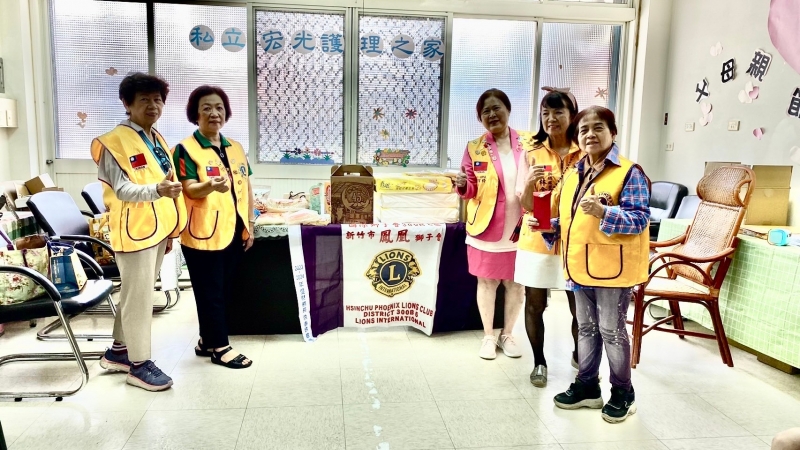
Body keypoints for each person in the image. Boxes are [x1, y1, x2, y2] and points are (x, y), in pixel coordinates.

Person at [532, 106, 650, 424]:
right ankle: (587, 386)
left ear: (613, 133)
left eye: (598, 128)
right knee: (586, 328)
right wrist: (547, 226)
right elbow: (573, 220)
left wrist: (604, 213)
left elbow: (640, 219)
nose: (590, 135)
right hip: (579, 265)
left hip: (613, 269)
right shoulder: (575, 172)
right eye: (583, 130)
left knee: (612, 330)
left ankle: (623, 393)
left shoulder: (629, 172)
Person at [91, 72, 187, 391]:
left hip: (157, 228)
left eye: (157, 99)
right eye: (144, 99)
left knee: (136, 294)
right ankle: (139, 364)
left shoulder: (156, 138)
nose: (153, 105)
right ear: (127, 103)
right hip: (133, 230)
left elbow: (167, 183)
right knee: (140, 298)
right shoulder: (113, 142)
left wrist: (171, 230)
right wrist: (158, 190)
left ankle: (119, 351)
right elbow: (122, 190)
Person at [173, 85, 255, 369]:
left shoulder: (235, 148)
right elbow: (189, 188)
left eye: (219, 107)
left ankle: (207, 341)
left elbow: (246, 186)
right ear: (195, 114)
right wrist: (209, 185)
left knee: (224, 288)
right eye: (206, 108)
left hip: (234, 229)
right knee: (210, 291)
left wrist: (250, 223)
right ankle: (220, 347)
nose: (214, 113)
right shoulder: (186, 148)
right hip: (203, 232)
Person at [514, 87, 583, 387]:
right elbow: (525, 203)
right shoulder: (531, 153)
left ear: (572, 115)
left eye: (558, 112)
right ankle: (539, 362)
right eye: (545, 113)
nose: (551, 118)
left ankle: (581, 355)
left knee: (580, 306)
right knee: (534, 303)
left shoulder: (585, 152)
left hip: (573, 241)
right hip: (537, 240)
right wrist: (529, 183)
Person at [455, 88, 528, 360]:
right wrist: (463, 185)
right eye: (485, 111)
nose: (492, 114)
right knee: (486, 283)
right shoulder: (474, 148)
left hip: (521, 228)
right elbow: (470, 189)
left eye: (497, 108)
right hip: (485, 228)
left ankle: (508, 334)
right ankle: (488, 336)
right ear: (480, 118)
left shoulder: (529, 143)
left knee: (515, 284)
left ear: (508, 110)